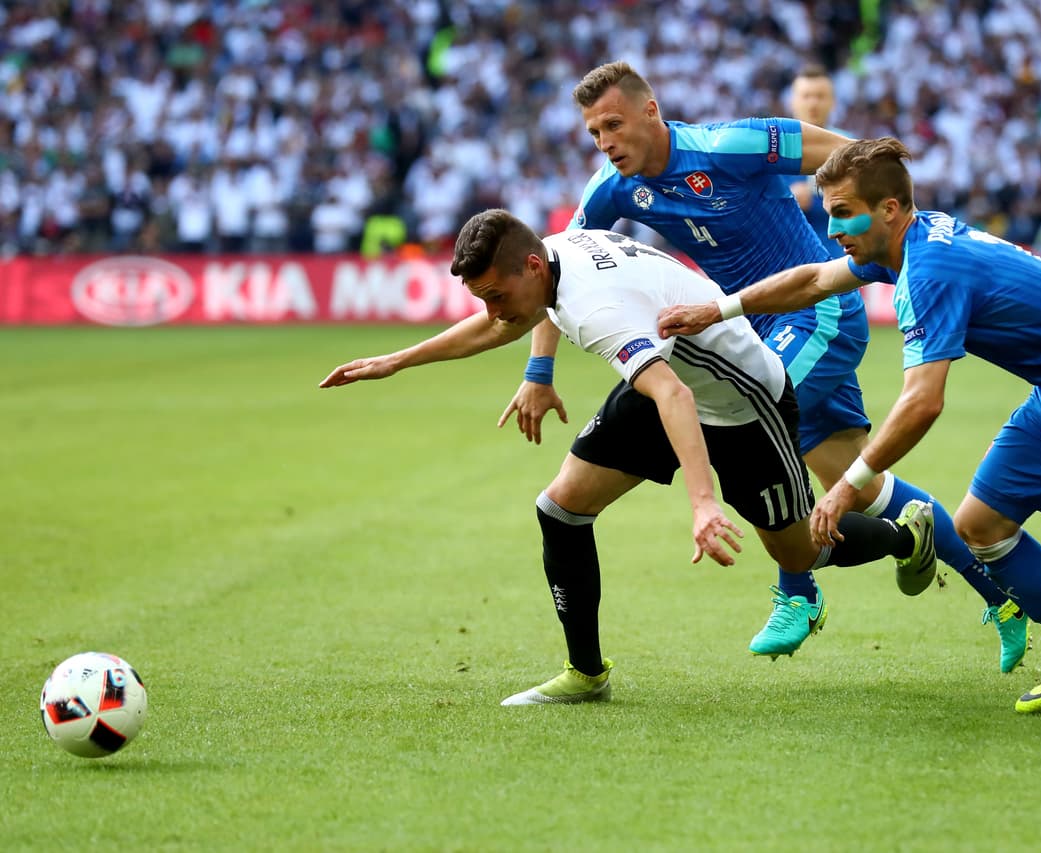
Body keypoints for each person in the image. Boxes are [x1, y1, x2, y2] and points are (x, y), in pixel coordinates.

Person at [656, 137, 1041, 720]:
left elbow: (922, 403)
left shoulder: (930, 271)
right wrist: (720, 310)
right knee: (980, 526)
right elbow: (812, 281)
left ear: (888, 208)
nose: (832, 227)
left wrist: (845, 485)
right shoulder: (909, 238)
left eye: (841, 213)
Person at [503, 60, 1025, 669]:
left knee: (745, 430)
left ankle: (798, 593)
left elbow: (857, 157)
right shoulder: (611, 188)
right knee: (859, 480)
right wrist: (539, 372)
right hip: (749, 330)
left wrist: (897, 239)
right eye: (594, 133)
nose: (604, 142)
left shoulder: (733, 145)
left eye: (613, 125)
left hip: (816, 319)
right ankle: (1000, 596)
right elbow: (552, 272)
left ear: (651, 111)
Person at [319, 209, 936, 704]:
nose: (493, 308)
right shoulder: (555, 257)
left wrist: (702, 503)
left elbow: (674, 396)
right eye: (484, 297)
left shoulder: (597, 309)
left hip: (744, 400)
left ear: (532, 266)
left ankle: (904, 537)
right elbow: (506, 324)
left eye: (496, 293)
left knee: (800, 550)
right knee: (561, 507)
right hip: (668, 376)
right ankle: (586, 674)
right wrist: (396, 361)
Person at [787, 64, 846, 260]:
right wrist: (787, 199)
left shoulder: (848, 149)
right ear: (792, 102)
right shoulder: (770, 148)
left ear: (833, 102)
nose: (813, 103)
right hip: (784, 260)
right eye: (806, 96)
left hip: (836, 260)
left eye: (820, 96)